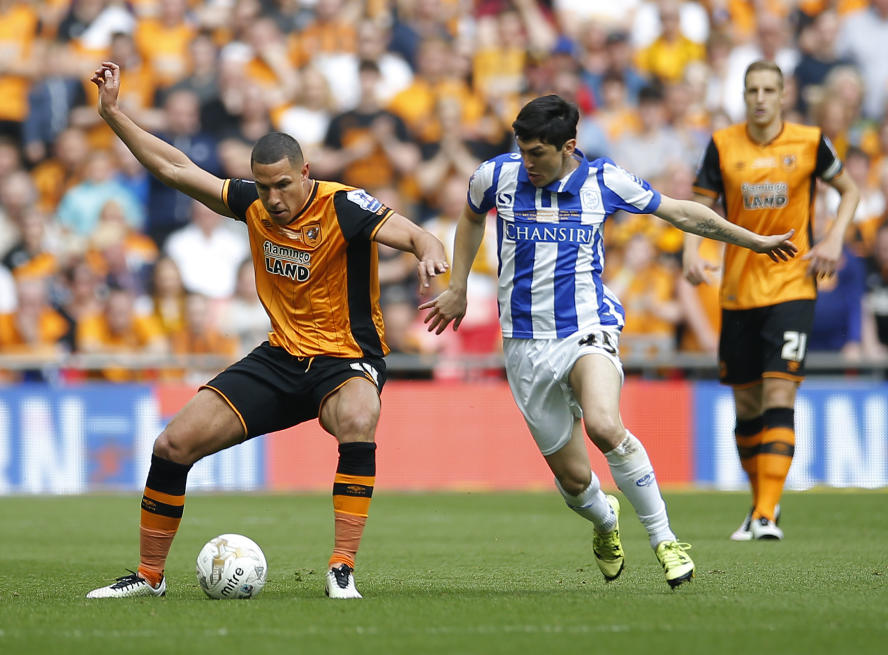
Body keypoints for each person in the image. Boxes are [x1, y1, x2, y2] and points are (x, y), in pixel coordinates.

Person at [85, 61, 448, 600]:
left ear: (306, 173)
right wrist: (114, 114)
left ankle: (342, 567)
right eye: (264, 186)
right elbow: (177, 169)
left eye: (283, 185)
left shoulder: (344, 206)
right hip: (280, 357)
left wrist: (432, 259)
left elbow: (419, 236)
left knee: (358, 416)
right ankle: (149, 575)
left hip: (345, 360)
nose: (274, 199)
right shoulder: (253, 204)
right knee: (172, 443)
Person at [421, 94, 797, 589]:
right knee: (576, 483)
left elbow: (683, 213)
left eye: (537, 153)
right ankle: (605, 521)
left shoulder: (604, 181)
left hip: (587, 325)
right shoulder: (495, 176)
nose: (526, 162)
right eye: (522, 149)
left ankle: (665, 539)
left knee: (603, 423)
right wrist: (459, 287)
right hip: (523, 344)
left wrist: (752, 240)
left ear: (569, 146)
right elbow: (471, 217)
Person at [682, 61, 860, 541]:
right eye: (752, 90)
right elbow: (699, 208)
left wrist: (834, 239)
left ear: (783, 95)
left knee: (780, 393)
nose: (760, 98)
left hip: (792, 286)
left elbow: (850, 190)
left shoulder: (809, 141)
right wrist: (690, 252)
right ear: (743, 95)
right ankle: (760, 503)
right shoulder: (723, 145)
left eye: (768, 90)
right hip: (738, 291)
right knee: (747, 405)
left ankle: (765, 512)